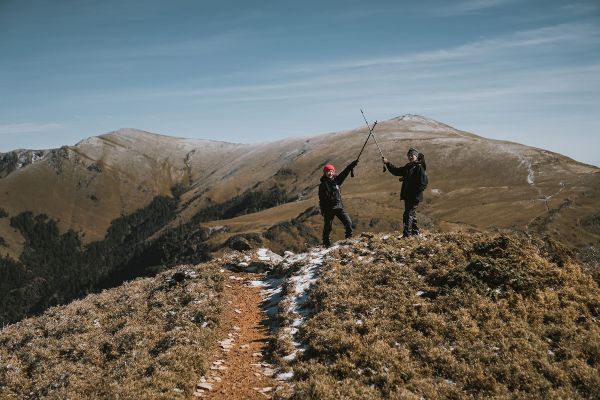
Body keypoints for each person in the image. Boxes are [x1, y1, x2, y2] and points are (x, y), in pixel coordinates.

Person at [382, 148, 427, 238]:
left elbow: (423, 183)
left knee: (408, 214)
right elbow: (397, 171)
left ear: (416, 156)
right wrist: (387, 163)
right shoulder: (409, 166)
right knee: (412, 214)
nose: (410, 157)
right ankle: (415, 232)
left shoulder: (419, 167)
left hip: (413, 196)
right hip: (408, 195)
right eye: (409, 155)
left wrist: (416, 193)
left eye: (412, 155)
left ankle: (407, 235)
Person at [318, 159, 359, 247]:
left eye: (331, 171)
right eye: (328, 171)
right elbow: (321, 199)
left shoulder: (337, 181)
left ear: (333, 172)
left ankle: (349, 238)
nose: (330, 173)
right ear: (325, 173)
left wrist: (352, 164)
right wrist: (323, 210)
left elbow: (345, 172)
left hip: (339, 207)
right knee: (328, 227)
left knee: (348, 222)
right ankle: (326, 243)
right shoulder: (322, 185)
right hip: (328, 209)